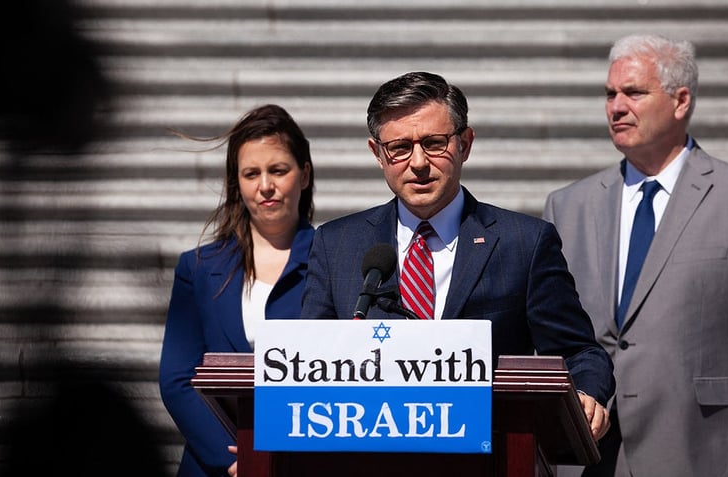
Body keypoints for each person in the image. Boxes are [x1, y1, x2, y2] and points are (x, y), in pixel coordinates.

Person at [301, 71, 615, 439]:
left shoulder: (524, 244)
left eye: (434, 143)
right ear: (378, 154)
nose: (418, 162)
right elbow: (308, 362)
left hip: (491, 451)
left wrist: (586, 393)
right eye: (399, 148)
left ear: (465, 143)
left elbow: (580, 352)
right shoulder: (336, 244)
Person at [544, 34, 728, 476]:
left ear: (681, 101)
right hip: (587, 458)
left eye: (634, 92)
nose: (616, 106)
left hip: (698, 455)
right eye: (610, 94)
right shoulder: (567, 206)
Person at [159, 104, 315, 477]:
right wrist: (233, 461)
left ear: (304, 175)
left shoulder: (335, 261)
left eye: (278, 170)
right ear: (237, 182)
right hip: (213, 466)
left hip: (301, 462)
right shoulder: (198, 268)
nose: (265, 186)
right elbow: (177, 379)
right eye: (251, 173)